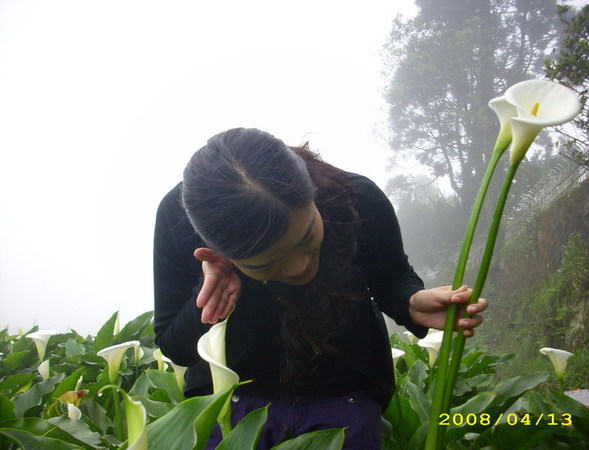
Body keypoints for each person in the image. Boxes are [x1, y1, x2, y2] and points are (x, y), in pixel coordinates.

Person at [153, 127, 487, 449]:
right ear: (217, 253)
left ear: (312, 195)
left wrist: (409, 301)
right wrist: (211, 285)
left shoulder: (358, 199)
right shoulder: (178, 219)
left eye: (307, 237)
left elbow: (391, 276)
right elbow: (176, 347)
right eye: (267, 264)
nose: (301, 267)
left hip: (344, 398)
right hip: (232, 409)